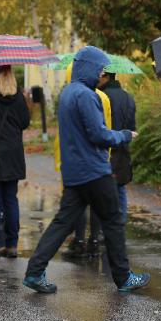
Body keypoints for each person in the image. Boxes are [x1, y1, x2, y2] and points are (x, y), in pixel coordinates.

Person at [24, 46, 150, 293]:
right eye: (100, 68)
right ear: (90, 67)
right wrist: (124, 135)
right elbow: (98, 134)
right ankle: (123, 278)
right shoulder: (87, 95)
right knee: (113, 220)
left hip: (74, 173)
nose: (101, 73)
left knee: (62, 223)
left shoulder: (68, 93)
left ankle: (34, 272)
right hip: (94, 171)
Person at [55, 62, 109, 259]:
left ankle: (78, 239)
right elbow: (105, 127)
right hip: (96, 159)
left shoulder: (68, 95)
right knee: (97, 205)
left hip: (73, 160)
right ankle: (94, 239)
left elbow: (64, 132)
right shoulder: (100, 96)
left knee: (74, 206)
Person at [0, 65, 30, 259]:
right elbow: (25, 122)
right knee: (11, 200)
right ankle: (12, 245)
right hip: (13, 153)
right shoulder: (17, 95)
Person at [98, 69, 136, 223]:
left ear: (106, 76)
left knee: (103, 193)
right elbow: (132, 127)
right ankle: (120, 225)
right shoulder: (128, 97)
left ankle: (105, 229)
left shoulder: (100, 96)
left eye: (100, 75)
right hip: (123, 151)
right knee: (120, 189)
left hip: (106, 150)